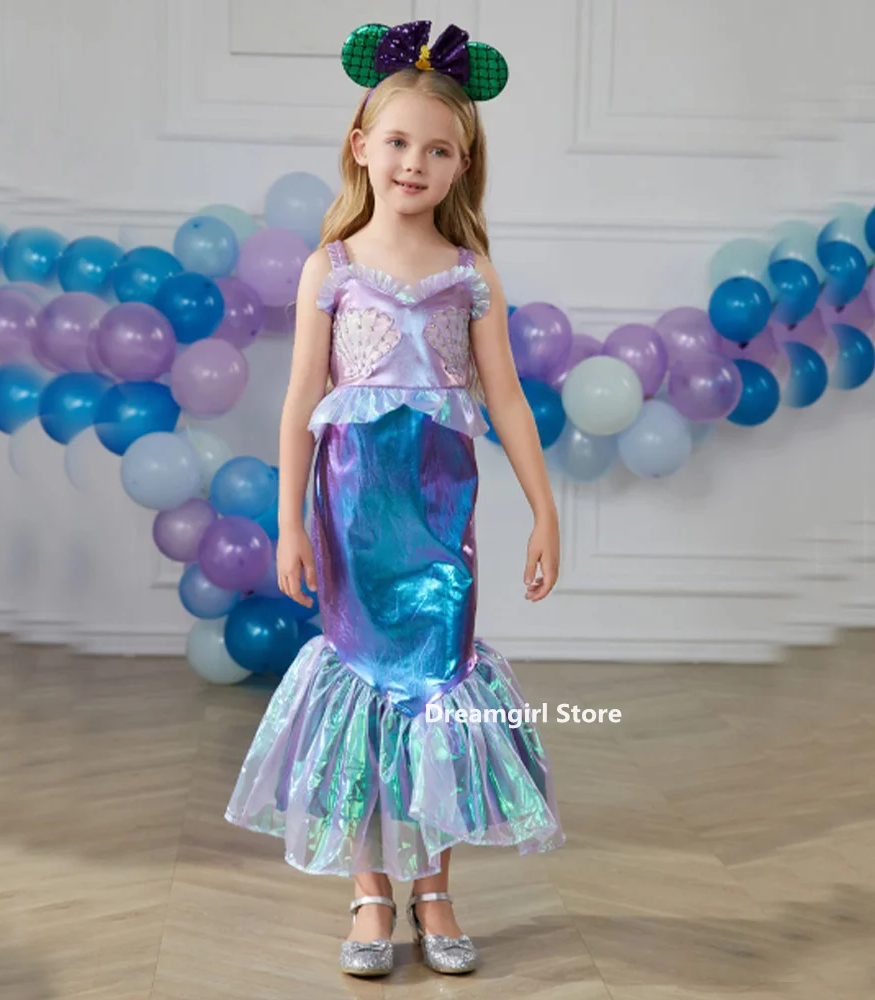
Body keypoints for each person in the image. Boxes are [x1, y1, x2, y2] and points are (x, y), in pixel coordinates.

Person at [225, 19, 566, 978]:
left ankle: (435, 887)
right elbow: (302, 397)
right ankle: (372, 890)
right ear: (361, 146)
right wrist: (288, 522)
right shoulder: (330, 269)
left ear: (464, 166)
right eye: (400, 141)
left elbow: (505, 399)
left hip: (439, 521)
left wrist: (546, 511)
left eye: (439, 149)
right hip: (352, 519)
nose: (415, 162)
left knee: (438, 690)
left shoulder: (470, 275)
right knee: (366, 687)